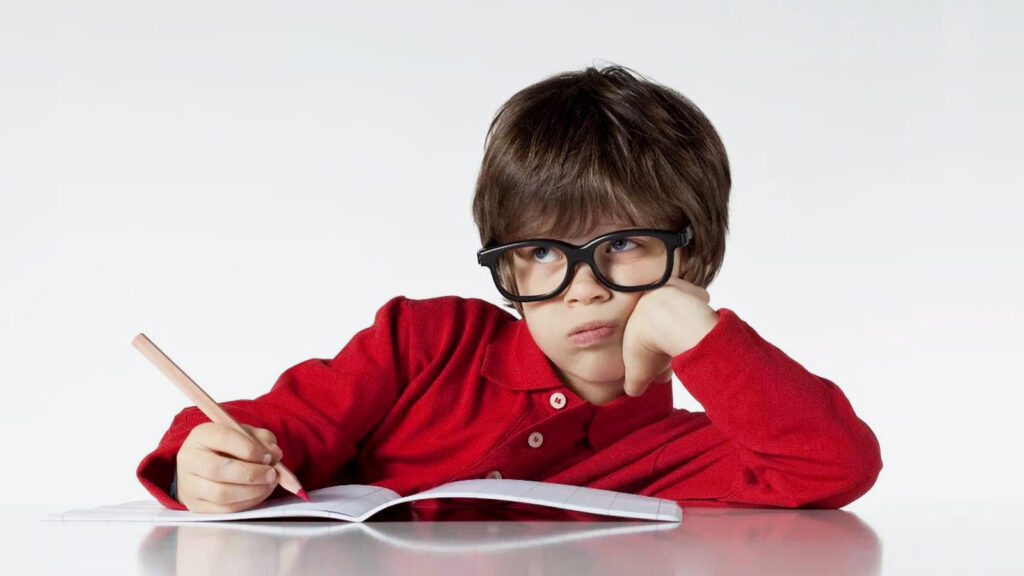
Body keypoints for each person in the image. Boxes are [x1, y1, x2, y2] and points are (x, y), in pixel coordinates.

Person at [137, 63, 882, 513]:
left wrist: (699, 334)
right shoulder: (424, 342)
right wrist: (207, 460)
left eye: (622, 245)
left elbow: (833, 464)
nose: (581, 290)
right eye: (540, 254)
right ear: (508, 266)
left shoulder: (676, 445)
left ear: (693, 255)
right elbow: (275, 426)